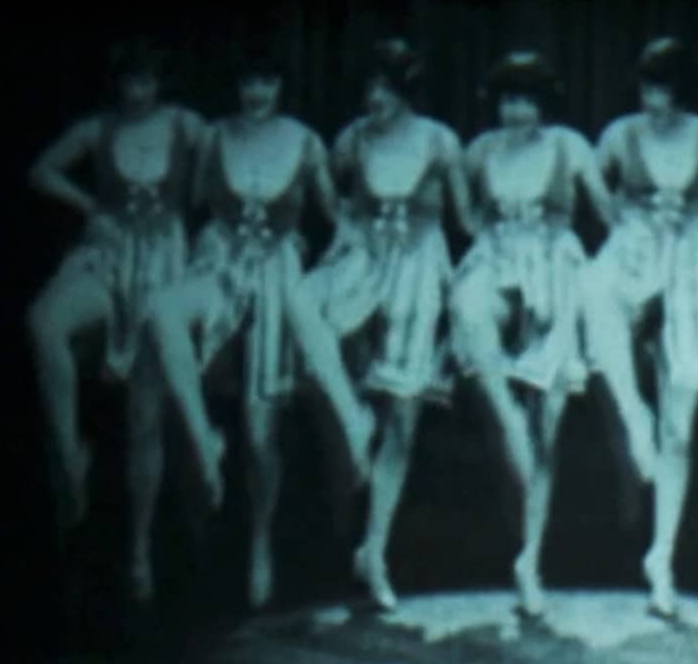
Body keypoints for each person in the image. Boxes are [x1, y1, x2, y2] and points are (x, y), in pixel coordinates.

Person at [144, 40, 374, 608]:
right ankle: (203, 441)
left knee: (261, 426)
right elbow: (193, 206)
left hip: (279, 275)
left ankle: (262, 545)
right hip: (222, 271)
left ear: (280, 88)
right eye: (248, 83)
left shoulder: (305, 141)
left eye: (267, 83)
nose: (256, 94)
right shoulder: (214, 137)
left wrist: (339, 254)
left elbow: (334, 214)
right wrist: (208, 246)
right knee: (163, 311)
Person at [301, 38, 477, 610]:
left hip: (419, 271)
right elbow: (332, 200)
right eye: (368, 88)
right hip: (362, 268)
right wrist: (347, 232)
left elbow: (466, 217)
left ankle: (374, 551)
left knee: (400, 416)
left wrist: (485, 263)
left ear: (405, 89)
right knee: (342, 388)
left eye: (384, 88)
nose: (373, 98)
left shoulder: (439, 140)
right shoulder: (350, 140)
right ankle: (338, 536)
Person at [26, 37, 205, 600]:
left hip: (163, 269)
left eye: (147, 81)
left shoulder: (184, 125)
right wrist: (91, 210)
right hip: (107, 257)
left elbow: (232, 155)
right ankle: (69, 456)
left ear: (160, 83)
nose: (138, 93)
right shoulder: (95, 129)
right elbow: (41, 172)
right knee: (43, 323)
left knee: (144, 413)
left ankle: (139, 551)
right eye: (129, 82)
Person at [449, 50, 615, 617]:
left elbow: (609, 214)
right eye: (507, 99)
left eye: (526, 100)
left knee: (548, 418)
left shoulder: (569, 146)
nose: (515, 111)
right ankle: (503, 412)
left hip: (554, 270)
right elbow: (469, 219)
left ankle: (530, 560)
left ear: (544, 105)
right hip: (497, 263)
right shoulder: (479, 152)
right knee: (475, 326)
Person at [584, 37, 698, 618]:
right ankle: (631, 413)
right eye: (648, 89)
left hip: (690, 268)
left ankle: (661, 559)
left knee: (680, 427)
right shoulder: (621, 135)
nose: (655, 102)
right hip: (634, 257)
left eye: (665, 90)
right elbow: (585, 184)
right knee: (594, 295)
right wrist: (619, 219)